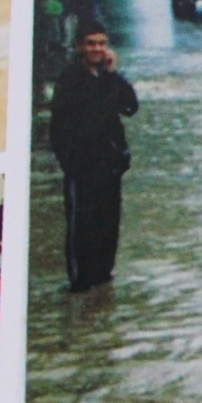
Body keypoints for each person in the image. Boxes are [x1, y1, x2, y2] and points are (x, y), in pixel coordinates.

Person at [51, 19, 137, 293]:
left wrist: (113, 74)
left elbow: (130, 107)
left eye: (101, 43)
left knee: (108, 225)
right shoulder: (70, 79)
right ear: (79, 46)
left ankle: (103, 281)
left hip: (109, 165)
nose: (97, 49)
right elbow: (58, 126)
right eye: (91, 44)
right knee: (81, 226)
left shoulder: (107, 78)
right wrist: (69, 162)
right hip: (81, 167)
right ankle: (80, 283)